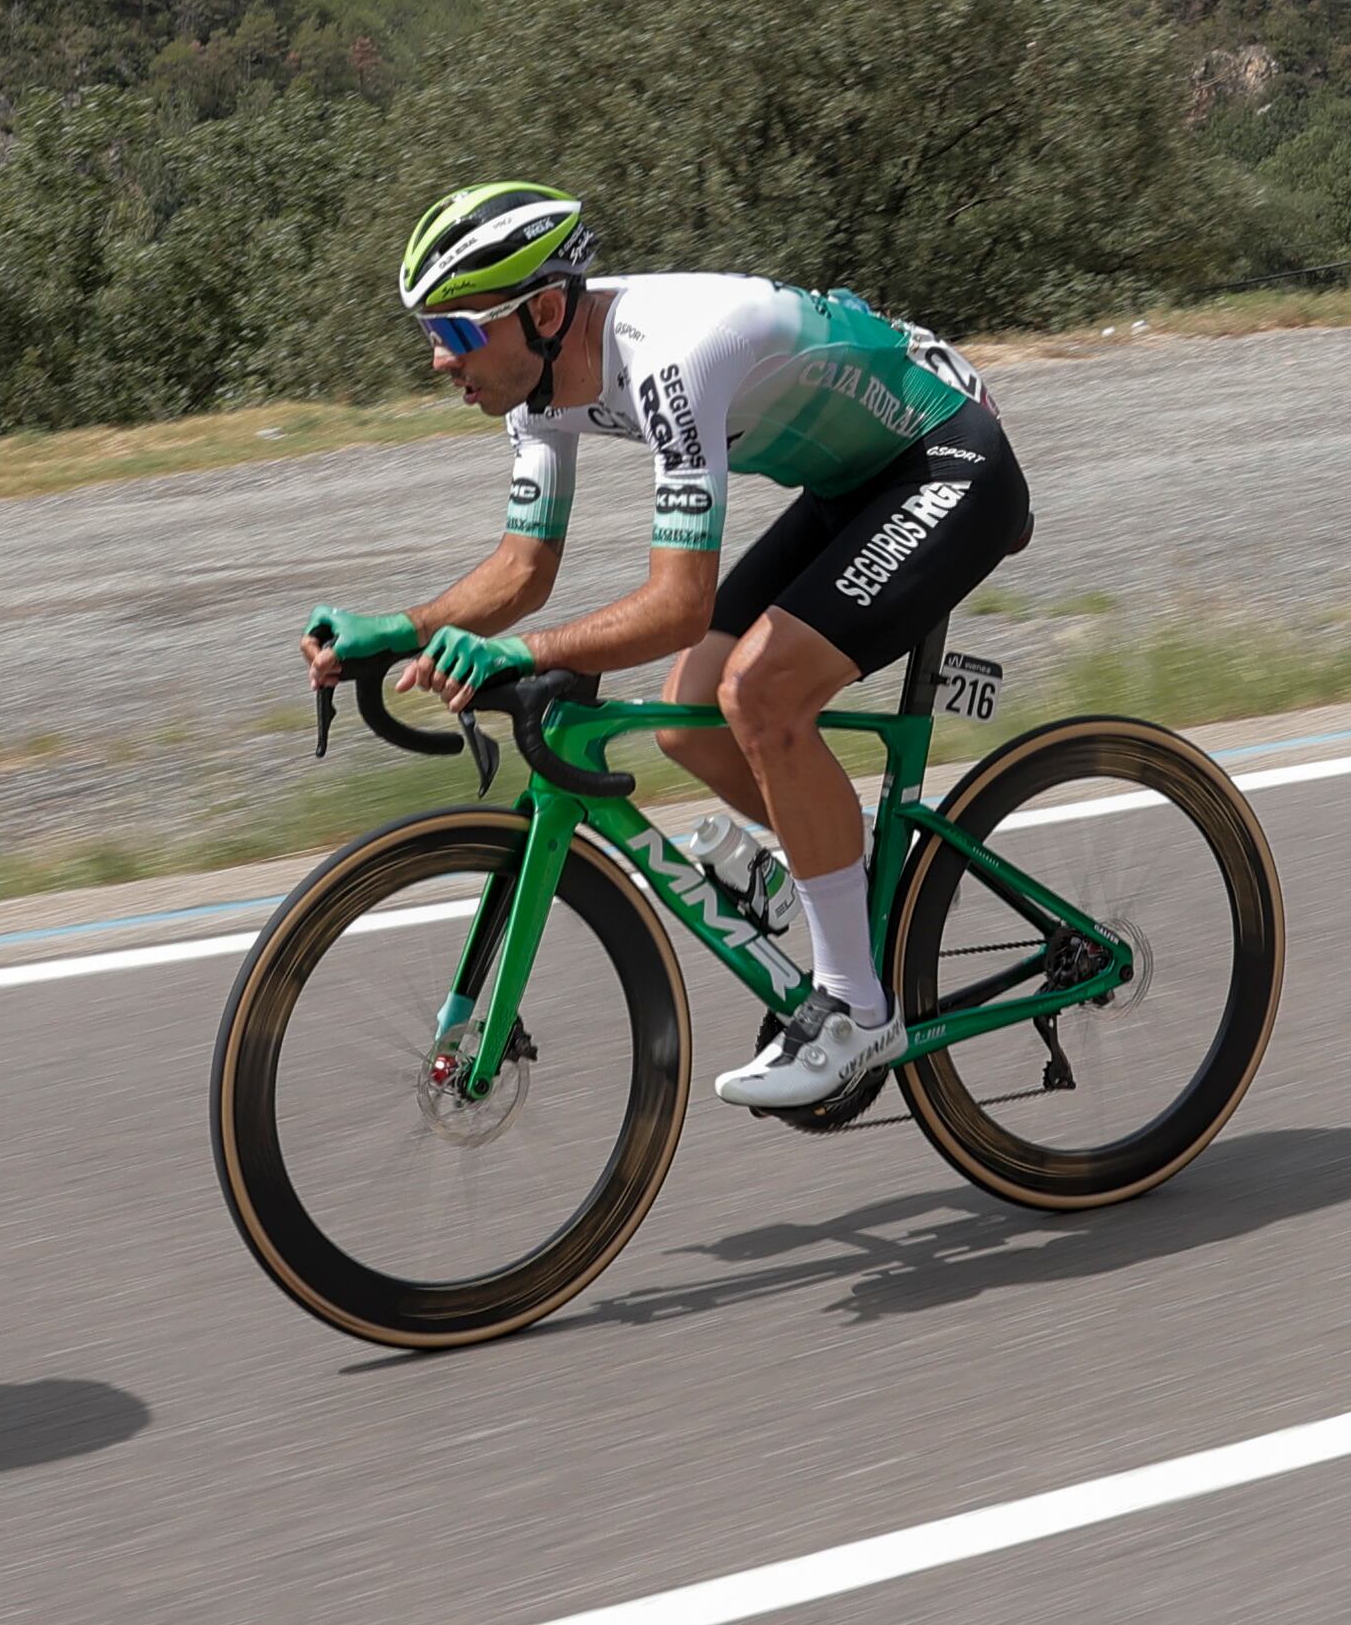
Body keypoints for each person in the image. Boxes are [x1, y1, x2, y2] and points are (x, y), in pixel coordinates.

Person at [310, 181, 1034, 1112]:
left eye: (454, 335)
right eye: (429, 337)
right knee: (688, 725)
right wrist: (401, 630)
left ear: (540, 309)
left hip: (949, 464)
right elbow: (525, 568)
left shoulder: (671, 354)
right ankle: (829, 882)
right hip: (852, 485)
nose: (440, 363)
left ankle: (856, 1009)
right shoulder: (539, 385)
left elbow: (680, 601)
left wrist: (525, 657)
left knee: (760, 695)